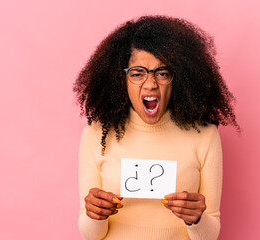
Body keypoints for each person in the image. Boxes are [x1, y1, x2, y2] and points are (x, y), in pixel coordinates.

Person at [73, 15, 239, 240]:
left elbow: (209, 235)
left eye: (162, 73)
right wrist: (94, 215)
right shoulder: (97, 133)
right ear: (120, 79)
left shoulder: (204, 135)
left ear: (178, 78)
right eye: (137, 73)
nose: (150, 83)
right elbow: (91, 235)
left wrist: (197, 219)